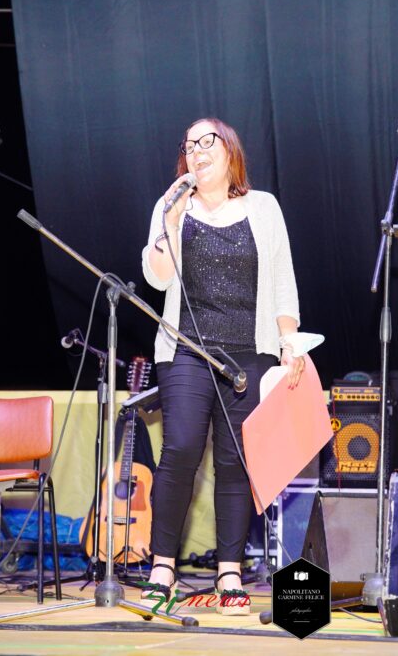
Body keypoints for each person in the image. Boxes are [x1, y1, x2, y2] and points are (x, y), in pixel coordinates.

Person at [140, 117, 304, 615]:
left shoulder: (263, 207)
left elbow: (282, 282)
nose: (196, 151)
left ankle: (229, 572)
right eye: (188, 145)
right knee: (182, 448)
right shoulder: (171, 207)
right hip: (186, 349)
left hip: (248, 353)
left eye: (205, 141)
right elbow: (157, 278)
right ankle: (162, 567)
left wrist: (289, 344)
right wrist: (169, 221)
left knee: (236, 462)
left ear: (229, 151)